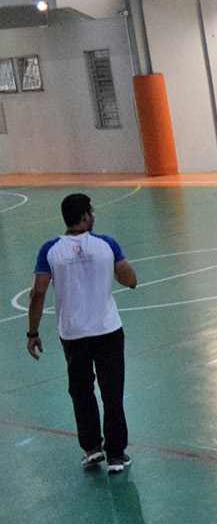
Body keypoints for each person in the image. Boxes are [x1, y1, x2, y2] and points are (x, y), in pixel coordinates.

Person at [26, 193, 138, 472]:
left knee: (81, 392)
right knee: (112, 392)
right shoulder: (106, 244)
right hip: (107, 330)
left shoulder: (50, 250)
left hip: (73, 333)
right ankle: (116, 455)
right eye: (92, 211)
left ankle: (91, 449)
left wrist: (32, 332)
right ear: (86, 216)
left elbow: (38, 292)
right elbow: (130, 280)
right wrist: (108, 269)